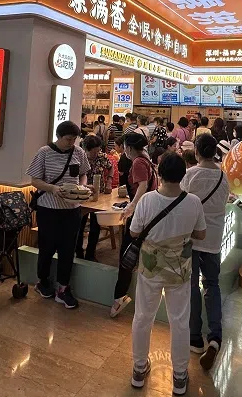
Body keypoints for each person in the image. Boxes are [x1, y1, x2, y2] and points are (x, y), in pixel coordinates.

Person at [130, 152, 206, 395]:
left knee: (143, 316)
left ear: (159, 174)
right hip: (180, 269)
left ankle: (139, 369)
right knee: (180, 320)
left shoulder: (147, 200)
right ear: (183, 175)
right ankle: (180, 375)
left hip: (150, 268)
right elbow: (201, 234)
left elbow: (134, 232)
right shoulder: (193, 202)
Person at [26, 121, 90, 308]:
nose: (71, 143)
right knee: (47, 246)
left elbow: (84, 173)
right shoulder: (44, 152)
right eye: (68, 139)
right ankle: (43, 281)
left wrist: (83, 186)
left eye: (74, 139)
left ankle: (63, 288)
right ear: (59, 136)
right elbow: (35, 180)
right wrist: (53, 188)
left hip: (72, 209)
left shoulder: (78, 152)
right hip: (49, 209)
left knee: (68, 249)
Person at [182, 134, 229, 371]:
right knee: (212, 285)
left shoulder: (190, 175)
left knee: (191, 287)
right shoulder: (223, 176)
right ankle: (215, 337)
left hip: (191, 239)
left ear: (197, 152)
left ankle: (194, 338)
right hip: (213, 240)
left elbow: (179, 202)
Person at [111, 132, 158, 317]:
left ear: (129, 148)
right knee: (137, 255)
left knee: (127, 256)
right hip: (148, 212)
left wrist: (131, 206)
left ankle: (119, 298)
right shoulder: (146, 159)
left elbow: (143, 186)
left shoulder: (138, 161)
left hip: (140, 213)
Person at [76, 134, 112, 262]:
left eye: (98, 150)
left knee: (96, 226)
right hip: (82, 196)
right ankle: (79, 252)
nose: (97, 153)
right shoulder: (80, 158)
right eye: (94, 151)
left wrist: (109, 181)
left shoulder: (102, 157)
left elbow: (110, 167)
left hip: (99, 195)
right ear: (86, 149)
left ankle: (91, 253)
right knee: (79, 225)